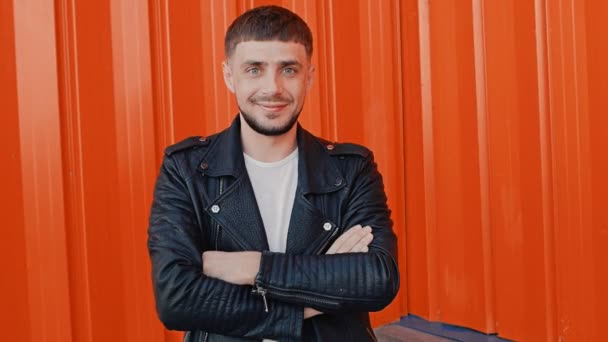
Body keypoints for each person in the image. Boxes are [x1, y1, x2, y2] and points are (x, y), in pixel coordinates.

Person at [148, 5, 399, 342]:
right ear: (229, 76)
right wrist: (318, 291)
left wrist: (251, 267)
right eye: (254, 69)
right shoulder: (186, 169)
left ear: (309, 76)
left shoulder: (350, 169)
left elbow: (377, 279)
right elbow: (177, 300)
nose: (273, 87)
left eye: (288, 69)